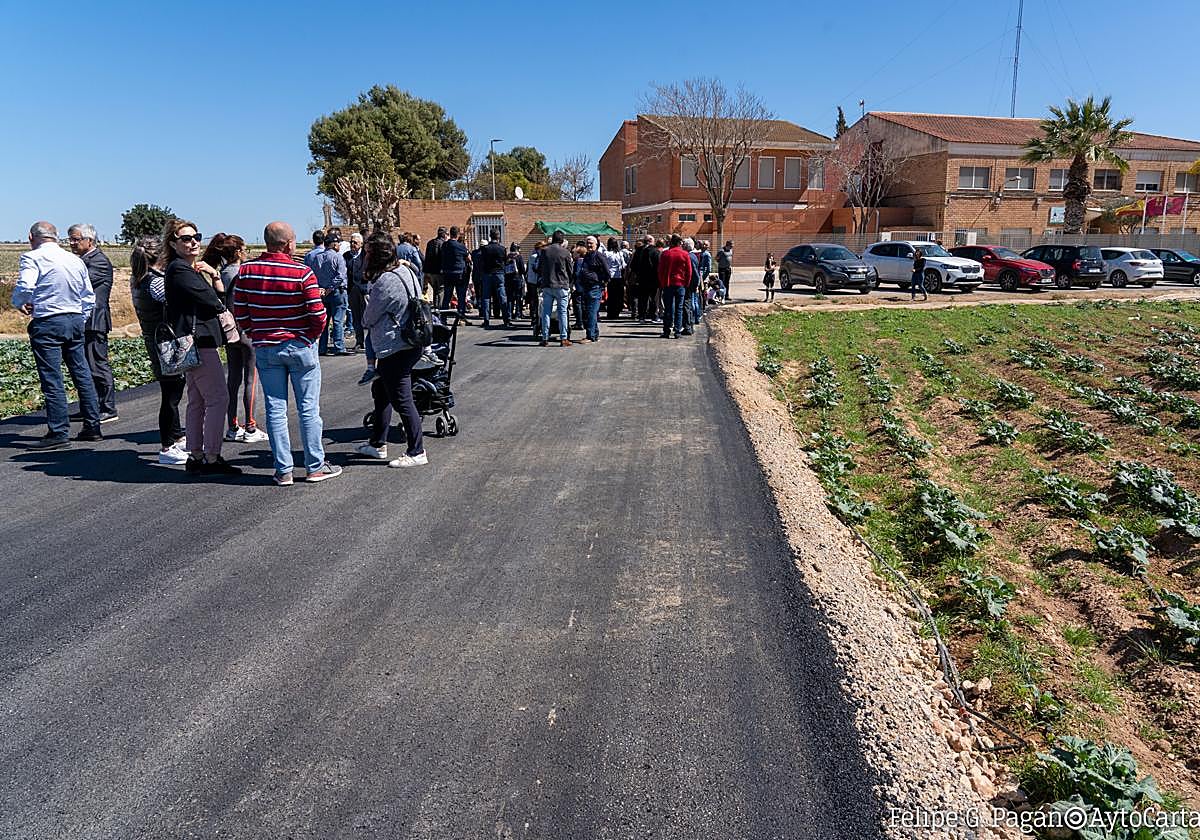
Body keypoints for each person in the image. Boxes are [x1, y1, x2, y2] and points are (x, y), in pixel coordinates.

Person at [232, 221, 339, 486]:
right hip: (299, 346)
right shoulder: (301, 272)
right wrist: (310, 336)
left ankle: (284, 470)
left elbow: (240, 311)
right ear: (288, 243)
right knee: (308, 408)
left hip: (266, 347)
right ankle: (315, 466)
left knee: (275, 408)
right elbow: (318, 313)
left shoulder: (247, 272)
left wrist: (255, 332)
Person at [12, 221, 101, 448]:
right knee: (81, 373)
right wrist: (79, 318)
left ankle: (59, 432)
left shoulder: (32, 258)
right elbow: (88, 296)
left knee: (52, 379)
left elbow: (25, 286)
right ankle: (92, 426)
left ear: (31, 237)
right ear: (56, 236)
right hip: (73, 320)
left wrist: (20, 303)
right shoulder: (75, 260)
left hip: (48, 321)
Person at [162, 219, 240, 476]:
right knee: (218, 398)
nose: (193, 241)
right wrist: (215, 280)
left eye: (196, 236)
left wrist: (213, 276)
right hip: (198, 342)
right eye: (186, 238)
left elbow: (212, 299)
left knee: (196, 400)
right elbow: (213, 301)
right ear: (173, 243)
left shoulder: (182, 269)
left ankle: (197, 454)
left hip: (191, 342)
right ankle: (211, 455)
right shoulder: (181, 271)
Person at [354, 231, 428, 468]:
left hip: (394, 346)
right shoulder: (405, 271)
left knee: (402, 399)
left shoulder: (384, 282)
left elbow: (368, 318)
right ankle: (377, 443)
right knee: (382, 391)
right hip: (411, 341)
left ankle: (417, 451)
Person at [202, 234, 267, 444]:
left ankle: (233, 426)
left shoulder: (221, 274)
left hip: (230, 332)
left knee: (233, 379)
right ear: (238, 252)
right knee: (251, 379)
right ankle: (250, 426)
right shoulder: (243, 273)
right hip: (247, 331)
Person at [129, 235, 186, 464]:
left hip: (154, 339)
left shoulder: (139, 279)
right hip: (165, 343)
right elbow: (177, 304)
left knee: (171, 389)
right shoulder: (156, 282)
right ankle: (167, 444)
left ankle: (175, 435)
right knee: (171, 393)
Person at [65, 224, 118, 424]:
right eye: (70, 239)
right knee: (84, 366)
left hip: (95, 320)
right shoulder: (84, 260)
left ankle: (107, 407)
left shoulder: (99, 261)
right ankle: (90, 406)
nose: (72, 243)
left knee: (97, 364)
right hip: (84, 319)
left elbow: (78, 285)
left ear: (90, 240)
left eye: (76, 239)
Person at [309, 229, 349, 355]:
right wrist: (330, 288)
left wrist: (322, 289)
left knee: (325, 321)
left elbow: (313, 274)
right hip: (336, 291)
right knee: (338, 320)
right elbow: (340, 276)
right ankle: (339, 347)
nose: (338, 246)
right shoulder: (338, 257)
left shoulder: (317, 258)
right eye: (337, 244)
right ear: (333, 244)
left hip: (322, 293)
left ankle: (322, 347)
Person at [539, 229, 574, 347]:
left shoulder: (544, 252)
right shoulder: (565, 252)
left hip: (547, 285)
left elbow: (540, 268)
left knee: (546, 312)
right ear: (562, 240)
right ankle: (564, 338)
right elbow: (570, 270)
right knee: (562, 312)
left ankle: (545, 337)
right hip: (561, 285)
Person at [576, 235, 611, 343]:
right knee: (590, 312)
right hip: (586, 287)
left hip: (595, 287)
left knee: (591, 312)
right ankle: (594, 334)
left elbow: (607, 272)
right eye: (587, 243)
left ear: (596, 244)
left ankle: (590, 336)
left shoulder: (599, 256)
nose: (589, 245)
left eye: (591, 243)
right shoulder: (587, 256)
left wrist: (602, 283)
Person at [657, 234, 691, 339]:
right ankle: (677, 331)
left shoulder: (666, 254)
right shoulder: (685, 254)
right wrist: (687, 283)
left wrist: (662, 283)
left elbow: (660, 270)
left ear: (671, 243)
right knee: (679, 308)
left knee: (668, 308)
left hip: (668, 283)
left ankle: (666, 330)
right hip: (680, 283)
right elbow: (689, 271)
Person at [478, 230, 511, 328]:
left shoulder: (485, 249)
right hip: (499, 273)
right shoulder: (502, 249)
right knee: (502, 296)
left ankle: (486, 320)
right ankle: (506, 319)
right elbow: (505, 261)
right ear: (498, 237)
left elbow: (482, 261)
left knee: (486, 297)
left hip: (487, 273)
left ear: (490, 236)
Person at [439, 225, 470, 316]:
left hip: (447, 273)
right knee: (461, 296)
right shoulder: (461, 246)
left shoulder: (444, 245)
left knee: (447, 296)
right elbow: (468, 258)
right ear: (457, 235)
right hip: (459, 273)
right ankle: (461, 316)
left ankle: (443, 317)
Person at [345, 232, 367, 351]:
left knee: (367, 316)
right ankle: (359, 341)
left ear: (361, 244)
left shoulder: (365, 256)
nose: (352, 244)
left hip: (364, 289)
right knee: (356, 317)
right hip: (352, 290)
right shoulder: (346, 256)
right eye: (351, 242)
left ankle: (370, 341)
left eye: (355, 242)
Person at [424, 226, 447, 305]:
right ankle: (440, 309)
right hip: (440, 271)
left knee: (435, 290)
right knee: (441, 290)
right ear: (444, 234)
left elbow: (427, 257)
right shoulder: (444, 244)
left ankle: (436, 308)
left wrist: (426, 271)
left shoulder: (430, 243)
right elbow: (443, 258)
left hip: (431, 271)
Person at [504, 243, 526, 319]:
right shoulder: (519, 257)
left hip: (508, 279)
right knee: (518, 297)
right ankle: (517, 314)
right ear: (517, 249)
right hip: (517, 279)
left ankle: (509, 314)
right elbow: (522, 269)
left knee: (510, 297)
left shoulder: (507, 257)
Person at [697, 240, 713, 310]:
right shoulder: (700, 253)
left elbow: (709, 268)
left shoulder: (707, 254)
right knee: (699, 291)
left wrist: (704, 277)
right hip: (699, 274)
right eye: (703, 244)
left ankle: (704, 306)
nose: (704, 246)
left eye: (706, 245)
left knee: (704, 291)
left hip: (703, 276)